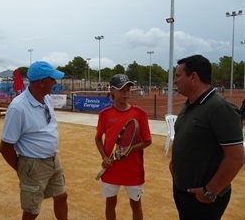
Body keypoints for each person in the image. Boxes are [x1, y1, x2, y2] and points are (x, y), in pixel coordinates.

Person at [170, 54, 245, 220]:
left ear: (193, 77)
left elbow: (236, 157)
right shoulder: (189, 103)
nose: (175, 81)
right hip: (182, 190)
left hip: (203, 198)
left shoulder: (220, 108)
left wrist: (210, 192)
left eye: (178, 76)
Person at [0, 61, 68, 220]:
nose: (55, 83)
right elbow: (5, 147)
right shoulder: (18, 107)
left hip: (52, 160)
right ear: (42, 82)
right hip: (32, 164)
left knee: (61, 196)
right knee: (32, 210)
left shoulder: (47, 99)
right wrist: (22, 169)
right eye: (52, 79)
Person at [95, 74, 152, 220]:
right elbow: (98, 138)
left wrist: (127, 150)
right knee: (110, 204)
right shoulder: (104, 114)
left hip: (133, 171)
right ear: (112, 90)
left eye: (128, 90)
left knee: (136, 205)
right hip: (111, 169)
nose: (126, 93)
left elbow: (147, 141)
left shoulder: (140, 113)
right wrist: (104, 157)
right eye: (121, 90)